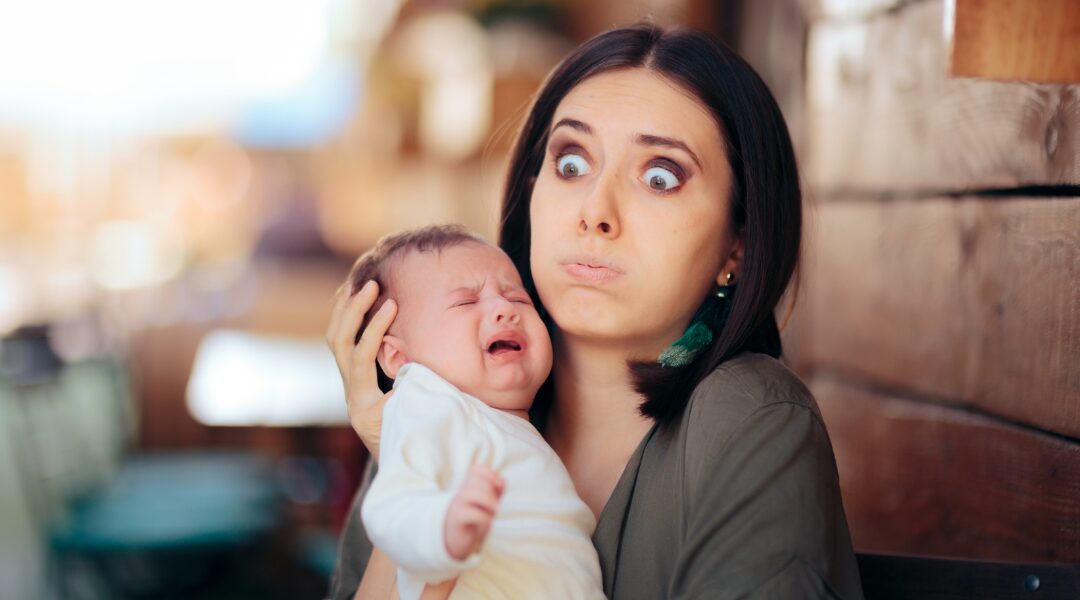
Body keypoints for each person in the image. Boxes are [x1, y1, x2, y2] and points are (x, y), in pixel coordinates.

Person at [326, 23, 865, 599]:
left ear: (738, 244)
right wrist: (403, 459)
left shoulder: (750, 420)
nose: (594, 212)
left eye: (660, 177)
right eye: (572, 164)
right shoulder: (441, 400)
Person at [342, 225, 605, 600]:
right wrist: (444, 530)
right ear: (398, 357)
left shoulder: (500, 421)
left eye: (519, 299)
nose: (504, 310)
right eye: (466, 302)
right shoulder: (427, 399)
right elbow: (392, 504)